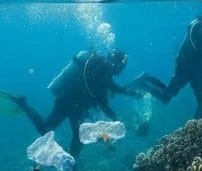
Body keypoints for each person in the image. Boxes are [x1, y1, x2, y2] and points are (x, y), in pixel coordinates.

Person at [8, 49, 136, 159]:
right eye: (122, 66)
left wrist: (130, 94)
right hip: (76, 105)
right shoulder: (102, 73)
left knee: (46, 129)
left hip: (64, 99)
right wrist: (116, 118)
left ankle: (24, 105)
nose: (121, 70)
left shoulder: (100, 68)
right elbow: (102, 100)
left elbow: (112, 87)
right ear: (117, 64)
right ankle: (73, 165)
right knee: (80, 135)